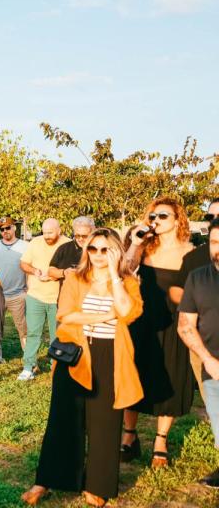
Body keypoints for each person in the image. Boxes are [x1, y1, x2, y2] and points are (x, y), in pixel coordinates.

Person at [22, 229, 143, 507]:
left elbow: (128, 313)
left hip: (111, 354)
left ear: (115, 251)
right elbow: (67, 314)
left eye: (105, 250)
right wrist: (104, 315)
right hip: (75, 353)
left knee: (105, 423)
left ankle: (97, 484)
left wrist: (114, 275)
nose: (98, 255)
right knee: (63, 420)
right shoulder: (76, 278)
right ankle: (47, 479)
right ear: (86, 250)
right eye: (93, 249)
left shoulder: (127, 281)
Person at [121, 197, 195, 468]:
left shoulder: (192, 252)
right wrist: (136, 242)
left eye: (162, 216)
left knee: (172, 376)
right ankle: (129, 436)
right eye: (152, 216)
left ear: (178, 220)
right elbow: (124, 269)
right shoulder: (143, 247)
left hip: (174, 323)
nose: (156, 220)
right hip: (141, 321)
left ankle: (160, 440)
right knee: (134, 374)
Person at [176, 218, 219, 488]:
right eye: (215, 242)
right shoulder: (198, 277)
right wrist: (209, 360)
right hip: (213, 367)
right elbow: (185, 326)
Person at [171, 199, 219, 395]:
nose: (214, 219)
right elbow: (176, 289)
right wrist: (192, 303)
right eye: (210, 216)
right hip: (201, 341)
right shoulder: (194, 257)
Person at [17, 219, 71, 381]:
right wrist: (34, 271)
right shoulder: (35, 242)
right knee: (33, 332)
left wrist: (56, 275)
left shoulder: (68, 244)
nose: (46, 236)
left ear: (59, 230)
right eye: (44, 232)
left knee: (58, 335)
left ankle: (57, 366)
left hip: (59, 298)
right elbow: (23, 263)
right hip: (36, 296)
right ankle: (28, 367)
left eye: (50, 233)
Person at [0, 216, 28, 354]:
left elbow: (29, 268)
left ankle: (30, 359)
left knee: (23, 329)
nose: (5, 231)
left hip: (17, 295)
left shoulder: (25, 246)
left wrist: (28, 288)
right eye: (2, 229)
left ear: (14, 227)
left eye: (8, 227)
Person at [48, 216, 96, 281]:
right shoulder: (64, 248)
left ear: (92, 233)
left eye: (84, 236)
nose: (80, 239)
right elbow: (50, 271)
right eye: (77, 235)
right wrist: (64, 272)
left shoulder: (98, 249)